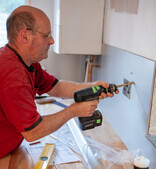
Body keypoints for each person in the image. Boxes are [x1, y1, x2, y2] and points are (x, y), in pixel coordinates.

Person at [0, 5, 118, 159]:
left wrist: (92, 87)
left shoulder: (26, 61)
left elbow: (56, 87)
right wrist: (73, 111)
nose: (52, 40)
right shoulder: (13, 75)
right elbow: (33, 131)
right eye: (46, 35)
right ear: (25, 36)